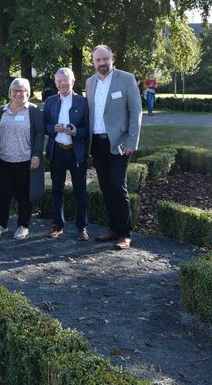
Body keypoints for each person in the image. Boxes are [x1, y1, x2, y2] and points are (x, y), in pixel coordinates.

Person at [85, 45, 142, 250]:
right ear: (93, 62)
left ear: (112, 58)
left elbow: (135, 111)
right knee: (106, 187)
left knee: (118, 186)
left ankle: (125, 233)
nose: (102, 63)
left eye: (105, 59)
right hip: (97, 143)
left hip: (119, 143)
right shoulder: (90, 82)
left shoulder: (126, 79)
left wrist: (132, 142)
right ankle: (113, 229)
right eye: (98, 60)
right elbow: (90, 113)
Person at [0, 78, 44, 240]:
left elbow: (40, 133)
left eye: (22, 90)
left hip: (25, 161)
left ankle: (23, 225)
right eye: (15, 90)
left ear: (27, 92)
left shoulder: (33, 111)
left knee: (24, 196)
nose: (18, 93)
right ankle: (1, 223)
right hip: (4, 160)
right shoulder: (2, 110)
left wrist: (36, 155)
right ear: (10, 92)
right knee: (3, 195)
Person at [43, 67, 90, 241]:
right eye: (59, 81)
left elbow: (88, 129)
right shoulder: (50, 102)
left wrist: (77, 131)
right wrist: (52, 129)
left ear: (73, 81)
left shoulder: (82, 102)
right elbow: (44, 125)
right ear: (55, 83)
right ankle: (57, 225)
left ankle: (82, 227)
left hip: (76, 152)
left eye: (65, 80)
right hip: (57, 151)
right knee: (57, 190)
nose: (62, 83)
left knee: (80, 191)